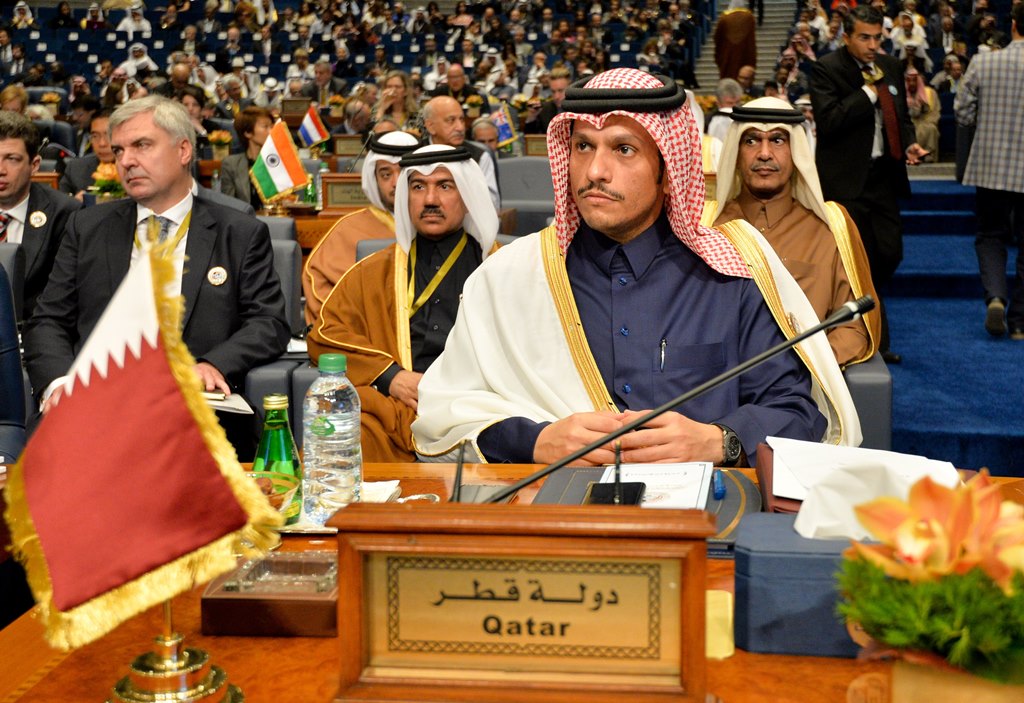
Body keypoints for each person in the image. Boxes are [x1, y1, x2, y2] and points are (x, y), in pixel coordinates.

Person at [413, 69, 859, 465]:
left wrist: (719, 441)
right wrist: (535, 440)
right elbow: (444, 410)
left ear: (669, 170)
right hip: (551, 522)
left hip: (705, 525)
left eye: (624, 149)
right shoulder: (509, 277)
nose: (595, 171)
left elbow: (796, 411)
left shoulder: (734, 274)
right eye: (583, 146)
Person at [24, 97, 289, 458]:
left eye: (141, 146)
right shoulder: (87, 227)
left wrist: (214, 364)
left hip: (195, 411)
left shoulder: (238, 232)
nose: (126, 161)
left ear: (183, 151)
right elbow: (49, 319)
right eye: (118, 151)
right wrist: (59, 382)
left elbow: (268, 322)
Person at [307, 144, 499, 462]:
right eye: (418, 187)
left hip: (479, 409)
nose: (430, 200)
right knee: (337, 441)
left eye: (445, 186)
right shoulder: (373, 271)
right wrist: (390, 376)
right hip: (396, 410)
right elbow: (324, 335)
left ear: (467, 195)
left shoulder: (500, 267)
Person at [706, 98, 880, 367]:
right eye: (751, 140)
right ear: (736, 153)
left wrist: (804, 366)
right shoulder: (707, 228)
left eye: (778, 140)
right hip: (715, 389)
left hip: (804, 390)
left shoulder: (830, 229)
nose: (764, 153)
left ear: (796, 151)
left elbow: (854, 327)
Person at [810, 5, 928, 364]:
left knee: (889, 254)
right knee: (855, 263)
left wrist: (908, 142)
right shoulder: (826, 69)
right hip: (846, 182)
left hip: (884, 177)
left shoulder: (891, 67)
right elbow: (830, 122)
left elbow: (901, 117)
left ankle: (866, 327)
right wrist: (869, 93)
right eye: (865, 37)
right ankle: (874, 341)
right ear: (846, 37)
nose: (873, 44)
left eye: (878, 37)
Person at [954, 4, 1024, 339]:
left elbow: (963, 113)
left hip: (992, 166)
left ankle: (996, 296)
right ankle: (1020, 322)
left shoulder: (984, 60)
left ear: (1013, 25)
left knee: (991, 235)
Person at [303, 130, 421, 323]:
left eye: (403, 172)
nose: (395, 182)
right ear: (374, 179)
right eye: (385, 174)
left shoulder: (437, 225)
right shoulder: (349, 229)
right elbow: (320, 288)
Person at [0, 112, 82, 321]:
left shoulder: (65, 214)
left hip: (31, 336)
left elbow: (63, 303)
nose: (1, 170)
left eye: (12, 159)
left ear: (34, 165)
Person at [422, 96, 500, 210]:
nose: (460, 127)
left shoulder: (479, 156)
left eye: (462, 120)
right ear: (430, 126)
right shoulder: (413, 155)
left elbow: (491, 204)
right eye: (451, 120)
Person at [220, 106, 273, 212]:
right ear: (248, 133)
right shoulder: (231, 164)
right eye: (265, 127)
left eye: (272, 126)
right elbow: (228, 204)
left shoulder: (277, 162)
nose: (271, 132)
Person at [714, 0, 757, 80]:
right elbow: (751, 38)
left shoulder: (724, 18)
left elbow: (718, 37)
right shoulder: (749, 17)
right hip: (745, 52)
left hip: (727, 53)